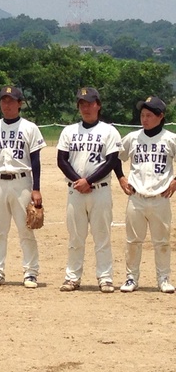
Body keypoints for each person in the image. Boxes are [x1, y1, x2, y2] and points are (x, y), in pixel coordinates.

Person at [0, 86, 46, 288]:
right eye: (3, 100)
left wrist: (36, 188)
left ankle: (30, 273)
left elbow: (35, 160)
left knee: (26, 229)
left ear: (19, 104)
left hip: (22, 182)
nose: (6, 104)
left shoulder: (29, 128)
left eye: (11, 101)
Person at [56, 86, 121, 293]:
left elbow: (111, 161)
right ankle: (72, 277)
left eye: (90, 103)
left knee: (102, 236)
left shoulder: (109, 131)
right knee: (75, 236)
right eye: (82, 104)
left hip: (100, 190)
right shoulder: (69, 131)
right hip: (76, 191)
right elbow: (62, 160)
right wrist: (79, 181)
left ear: (98, 105)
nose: (86, 107)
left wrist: (89, 181)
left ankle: (105, 278)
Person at [116, 96, 176, 293]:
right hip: (136, 197)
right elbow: (115, 158)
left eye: (149, 115)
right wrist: (121, 178)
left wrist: (175, 180)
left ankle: (164, 278)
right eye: (142, 115)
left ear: (160, 116)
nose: (145, 119)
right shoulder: (133, 138)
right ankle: (131, 278)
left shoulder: (170, 138)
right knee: (133, 241)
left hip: (161, 198)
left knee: (162, 241)